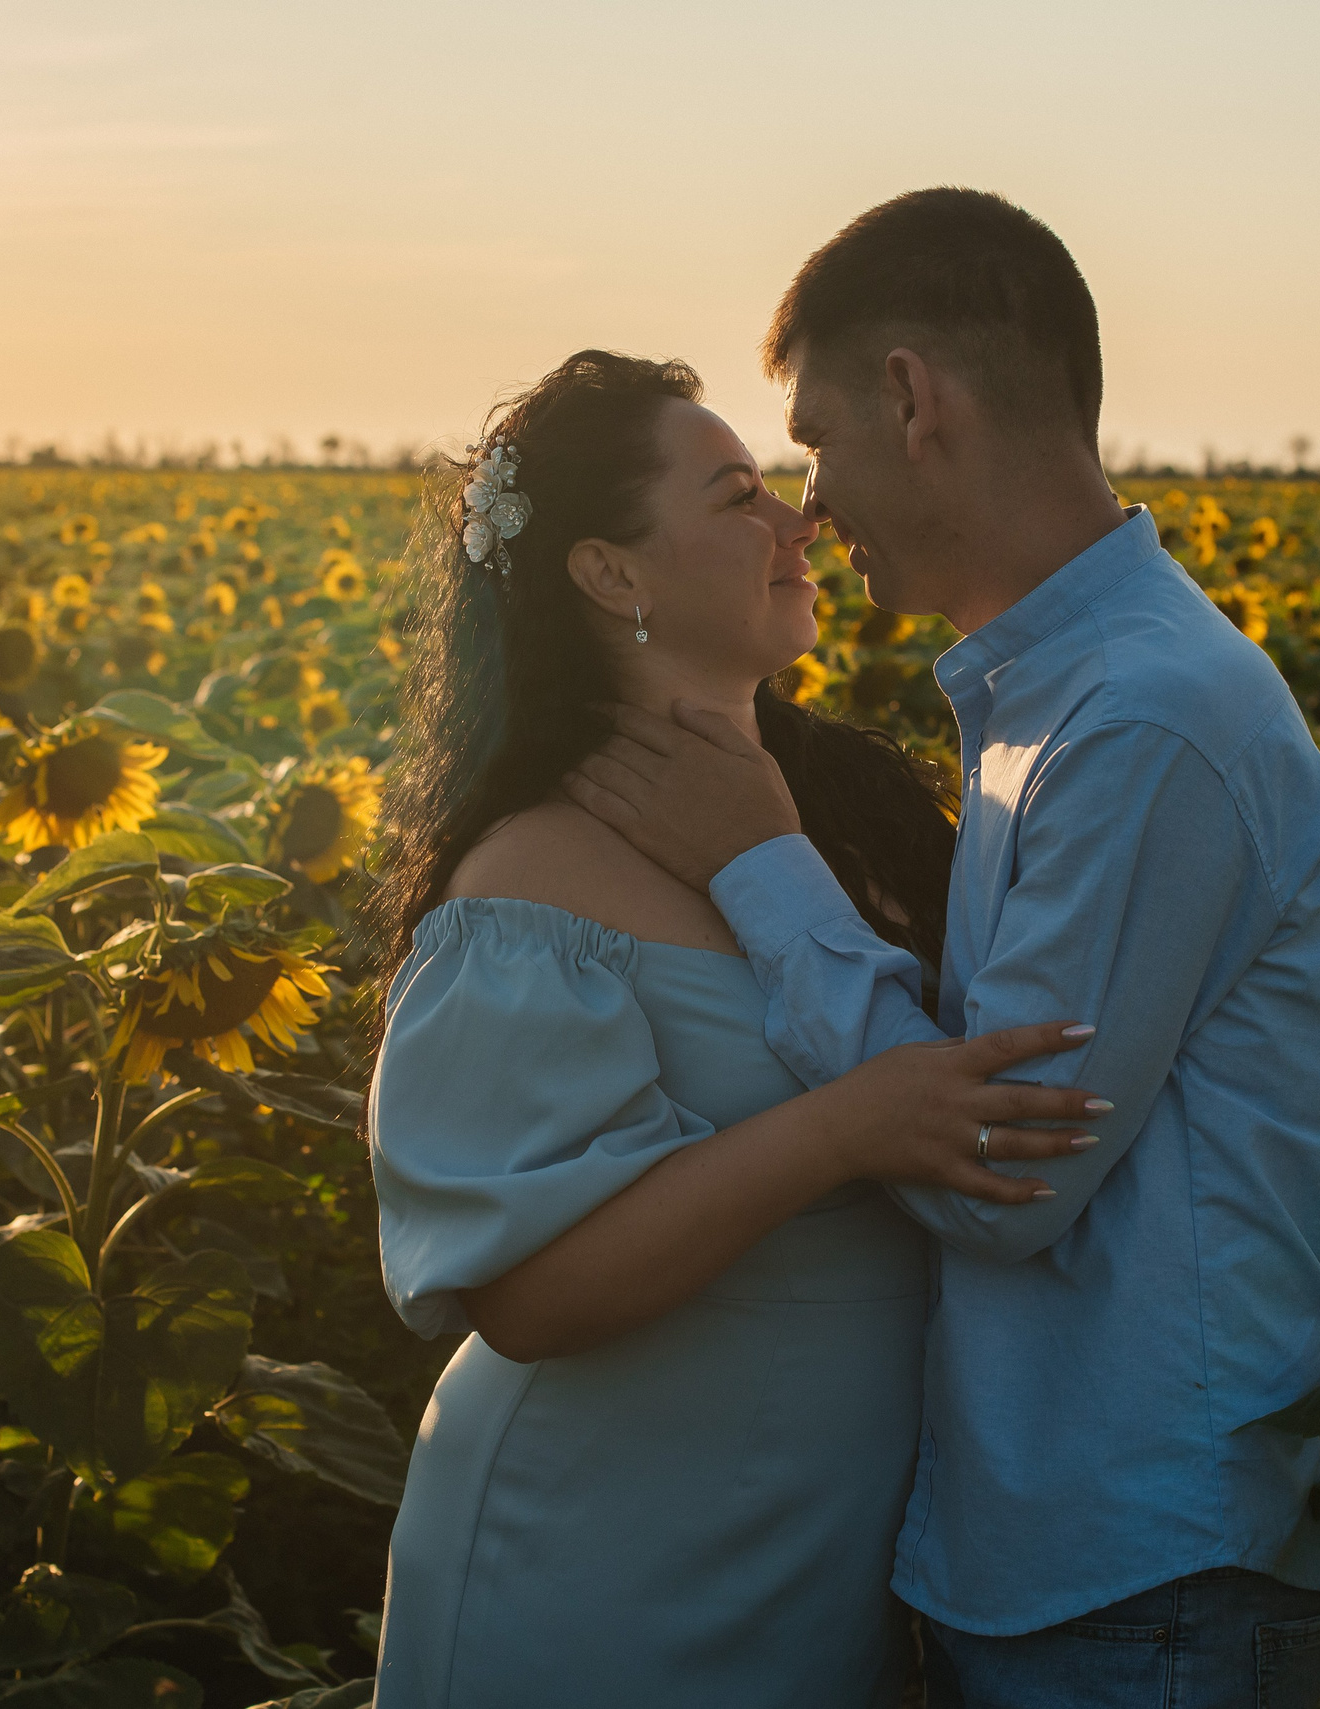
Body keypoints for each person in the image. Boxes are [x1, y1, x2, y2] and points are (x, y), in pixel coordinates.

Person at [565, 188, 1320, 1708]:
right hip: (1074, 1552)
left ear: (912, 398)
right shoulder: (1055, 700)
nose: (809, 509)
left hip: (1141, 1568)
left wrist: (758, 863)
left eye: (813, 443)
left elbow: (1003, 1169)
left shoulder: (1140, 722)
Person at [361, 350, 1109, 1708]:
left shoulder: (851, 814)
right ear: (610, 574)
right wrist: (842, 1130)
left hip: (820, 1559)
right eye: (736, 496)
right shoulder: (532, 878)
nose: (798, 520)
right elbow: (527, 1293)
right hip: (595, 1561)